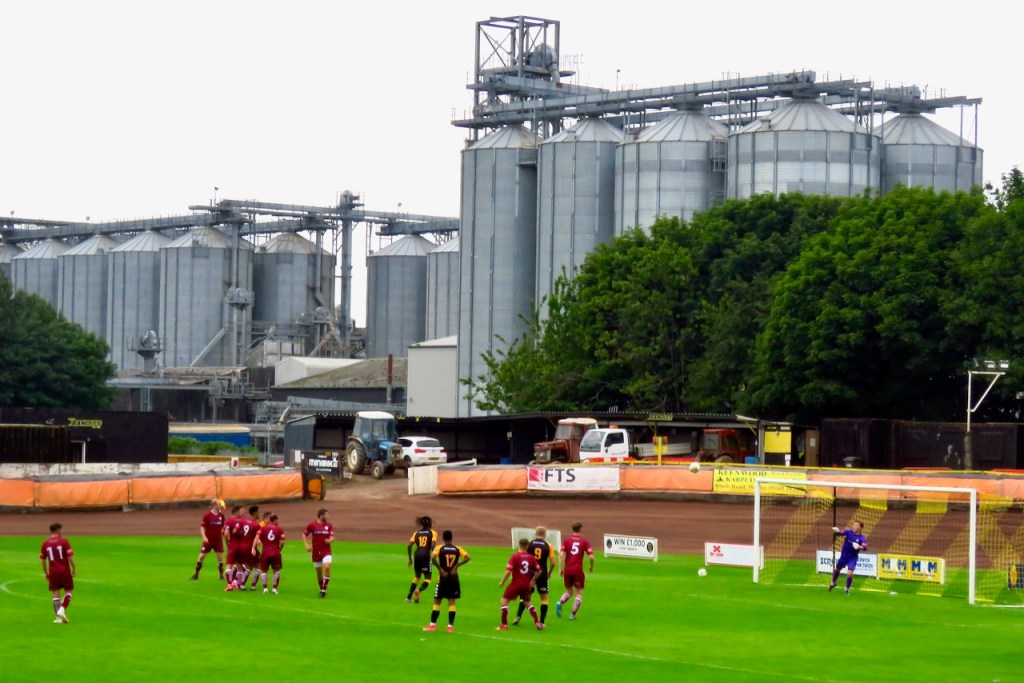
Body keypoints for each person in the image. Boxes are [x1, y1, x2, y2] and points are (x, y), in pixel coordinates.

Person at [423, 530, 470, 633]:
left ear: (443, 538)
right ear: (451, 538)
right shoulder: (457, 549)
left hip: (443, 578)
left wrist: (440, 569)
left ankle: (432, 625)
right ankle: (450, 627)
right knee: (451, 602)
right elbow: (468, 557)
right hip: (453, 578)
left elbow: (433, 558)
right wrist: (456, 566)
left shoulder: (440, 548)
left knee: (437, 601)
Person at [514, 526, 557, 626]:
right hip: (542, 574)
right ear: (545, 534)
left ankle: (518, 617)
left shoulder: (530, 543)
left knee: (525, 596)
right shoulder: (548, 545)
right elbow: (553, 562)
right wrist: (549, 572)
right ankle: (541, 622)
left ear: (535, 534)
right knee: (544, 598)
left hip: (529, 574)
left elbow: (522, 556)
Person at [498, 538, 543, 631]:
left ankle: (504, 625)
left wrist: (503, 581)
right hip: (526, 584)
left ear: (519, 545)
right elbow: (539, 571)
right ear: (527, 546)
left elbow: (508, 571)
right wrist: (533, 580)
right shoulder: (531, 558)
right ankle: (537, 622)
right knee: (527, 602)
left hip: (516, 583)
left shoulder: (515, 557)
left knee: (504, 601)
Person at [556, 521, 594, 620]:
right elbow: (591, 557)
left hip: (567, 570)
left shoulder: (566, 541)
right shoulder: (584, 542)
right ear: (580, 529)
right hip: (577, 571)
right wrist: (591, 567)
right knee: (579, 593)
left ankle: (560, 602)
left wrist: (560, 569)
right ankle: (572, 614)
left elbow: (560, 555)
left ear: (572, 529)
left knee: (569, 592)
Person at [40, 522, 76, 624]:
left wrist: (46, 572)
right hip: (64, 571)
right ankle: (62, 610)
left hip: (53, 572)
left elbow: (42, 560)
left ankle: (59, 619)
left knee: (55, 593)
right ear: (59, 530)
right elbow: (70, 557)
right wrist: (74, 568)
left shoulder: (45, 543)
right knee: (69, 590)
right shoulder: (64, 541)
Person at [191, 499, 226, 581]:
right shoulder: (207, 515)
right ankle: (196, 574)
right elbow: (202, 527)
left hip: (218, 540)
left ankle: (221, 575)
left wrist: (223, 531)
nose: (220, 505)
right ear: (214, 505)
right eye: (219, 504)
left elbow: (223, 526)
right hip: (208, 540)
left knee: (220, 558)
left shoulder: (221, 516)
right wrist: (204, 537)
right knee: (202, 556)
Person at [829, 521, 868, 594]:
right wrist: (836, 531)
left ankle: (847, 589)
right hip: (844, 556)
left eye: (856, 525)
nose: (854, 526)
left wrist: (859, 547)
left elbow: (865, 547)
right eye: (854, 525)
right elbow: (840, 533)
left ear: (860, 528)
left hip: (852, 558)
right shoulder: (849, 532)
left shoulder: (862, 538)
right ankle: (833, 583)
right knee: (837, 570)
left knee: (849, 574)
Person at [303, 508, 335, 598]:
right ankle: (321, 588)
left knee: (327, 567)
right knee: (319, 573)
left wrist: (330, 540)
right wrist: (306, 545)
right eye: (326, 515)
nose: (327, 516)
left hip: (326, 551)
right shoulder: (312, 525)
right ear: (321, 515)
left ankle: (324, 589)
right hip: (316, 551)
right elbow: (304, 534)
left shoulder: (329, 525)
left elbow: (332, 536)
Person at [406, 515, 437, 603]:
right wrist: (433, 556)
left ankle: (408, 597)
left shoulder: (416, 533)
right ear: (429, 523)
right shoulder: (433, 532)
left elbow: (409, 545)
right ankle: (419, 591)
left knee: (417, 577)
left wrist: (409, 558)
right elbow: (433, 545)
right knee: (428, 578)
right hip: (426, 556)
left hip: (417, 555)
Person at [254, 513, 285, 594]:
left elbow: (257, 535)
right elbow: (282, 542)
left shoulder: (263, 527)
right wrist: (280, 549)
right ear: (274, 520)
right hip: (275, 553)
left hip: (265, 553)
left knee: (263, 571)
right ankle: (274, 589)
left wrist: (254, 547)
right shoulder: (279, 529)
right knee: (276, 571)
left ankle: (265, 589)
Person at [239, 505, 262, 591]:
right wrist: (259, 540)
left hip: (243, 546)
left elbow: (237, 531)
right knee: (258, 566)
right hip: (251, 547)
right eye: (259, 512)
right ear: (255, 513)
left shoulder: (244, 521)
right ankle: (252, 586)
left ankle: (242, 585)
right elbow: (259, 530)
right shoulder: (256, 525)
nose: (259, 513)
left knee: (249, 566)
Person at [223, 505, 245, 589]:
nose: (242, 512)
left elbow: (225, 534)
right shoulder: (243, 520)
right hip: (242, 545)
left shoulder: (229, 521)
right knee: (239, 566)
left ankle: (229, 585)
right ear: (237, 511)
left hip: (233, 545)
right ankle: (238, 584)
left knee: (229, 565)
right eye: (241, 511)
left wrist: (227, 543)